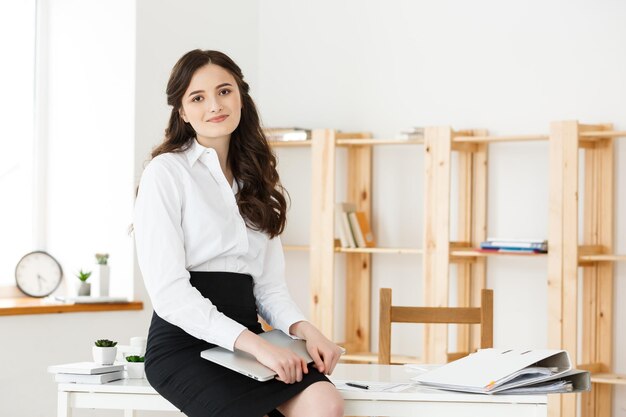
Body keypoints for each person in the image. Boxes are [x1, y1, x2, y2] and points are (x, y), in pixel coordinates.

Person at [133, 49, 344, 417]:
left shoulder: (256, 181)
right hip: (185, 343)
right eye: (197, 98)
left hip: (250, 340)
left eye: (224, 91)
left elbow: (268, 288)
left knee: (325, 402)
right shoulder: (166, 173)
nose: (214, 104)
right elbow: (169, 293)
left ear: (241, 97)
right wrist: (257, 346)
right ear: (182, 112)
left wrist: (305, 330)